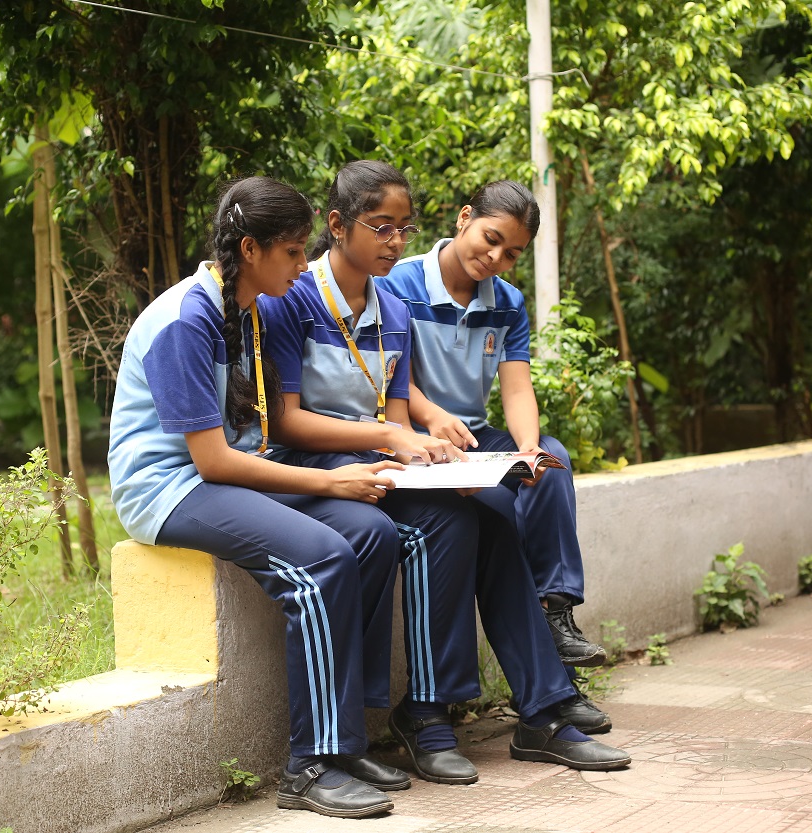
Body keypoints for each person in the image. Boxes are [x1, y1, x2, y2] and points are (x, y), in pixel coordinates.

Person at [257, 161, 631, 786]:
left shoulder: (392, 308)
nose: (395, 241)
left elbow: (399, 415)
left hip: (386, 460)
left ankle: (531, 706)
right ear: (338, 226)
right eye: (382, 227)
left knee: (485, 508)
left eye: (402, 228)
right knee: (451, 522)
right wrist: (400, 441)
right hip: (320, 466)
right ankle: (436, 713)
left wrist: (432, 459)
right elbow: (289, 425)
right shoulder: (297, 298)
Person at [107, 176, 411, 820]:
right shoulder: (186, 319)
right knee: (323, 557)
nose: (305, 268)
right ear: (251, 249)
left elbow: (249, 444)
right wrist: (332, 480)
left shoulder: (244, 308)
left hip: (227, 473)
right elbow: (212, 460)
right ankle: (309, 767)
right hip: (169, 488)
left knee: (372, 535)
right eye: (295, 253)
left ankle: (345, 738)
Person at [379, 181, 608, 682]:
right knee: (505, 523)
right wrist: (433, 415)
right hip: (412, 437)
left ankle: (556, 610)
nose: (497, 256)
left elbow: (517, 390)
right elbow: (388, 374)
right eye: (491, 237)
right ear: (464, 218)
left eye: (512, 253)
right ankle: (552, 685)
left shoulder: (508, 302)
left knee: (551, 462)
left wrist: (527, 448)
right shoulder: (397, 282)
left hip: (478, 439)